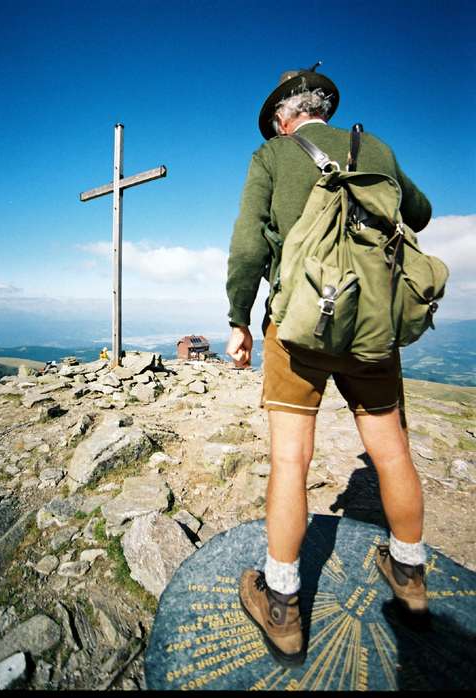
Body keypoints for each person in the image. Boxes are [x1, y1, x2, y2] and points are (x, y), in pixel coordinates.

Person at [225, 66, 432, 667]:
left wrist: (239, 320)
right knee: (391, 449)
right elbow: (417, 212)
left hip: (297, 328)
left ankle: (283, 604)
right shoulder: (377, 149)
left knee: (292, 458)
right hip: (372, 326)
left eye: (274, 122)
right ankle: (410, 577)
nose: (275, 129)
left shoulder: (270, 157)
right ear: (323, 108)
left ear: (284, 118)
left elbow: (247, 246)